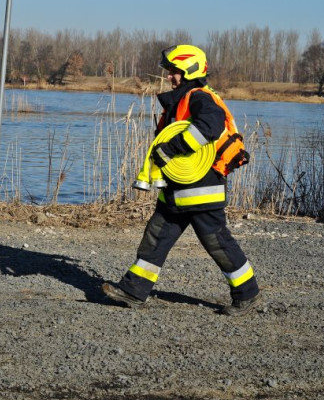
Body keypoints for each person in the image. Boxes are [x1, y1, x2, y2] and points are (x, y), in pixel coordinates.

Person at [102, 44, 262, 315]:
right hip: (177, 187)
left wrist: (173, 147)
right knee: (156, 237)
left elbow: (211, 126)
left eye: (174, 72)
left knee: (216, 241)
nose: (169, 77)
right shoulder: (184, 97)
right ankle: (134, 291)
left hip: (201, 188)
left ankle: (248, 295)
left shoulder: (199, 97)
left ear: (189, 70)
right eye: (169, 72)